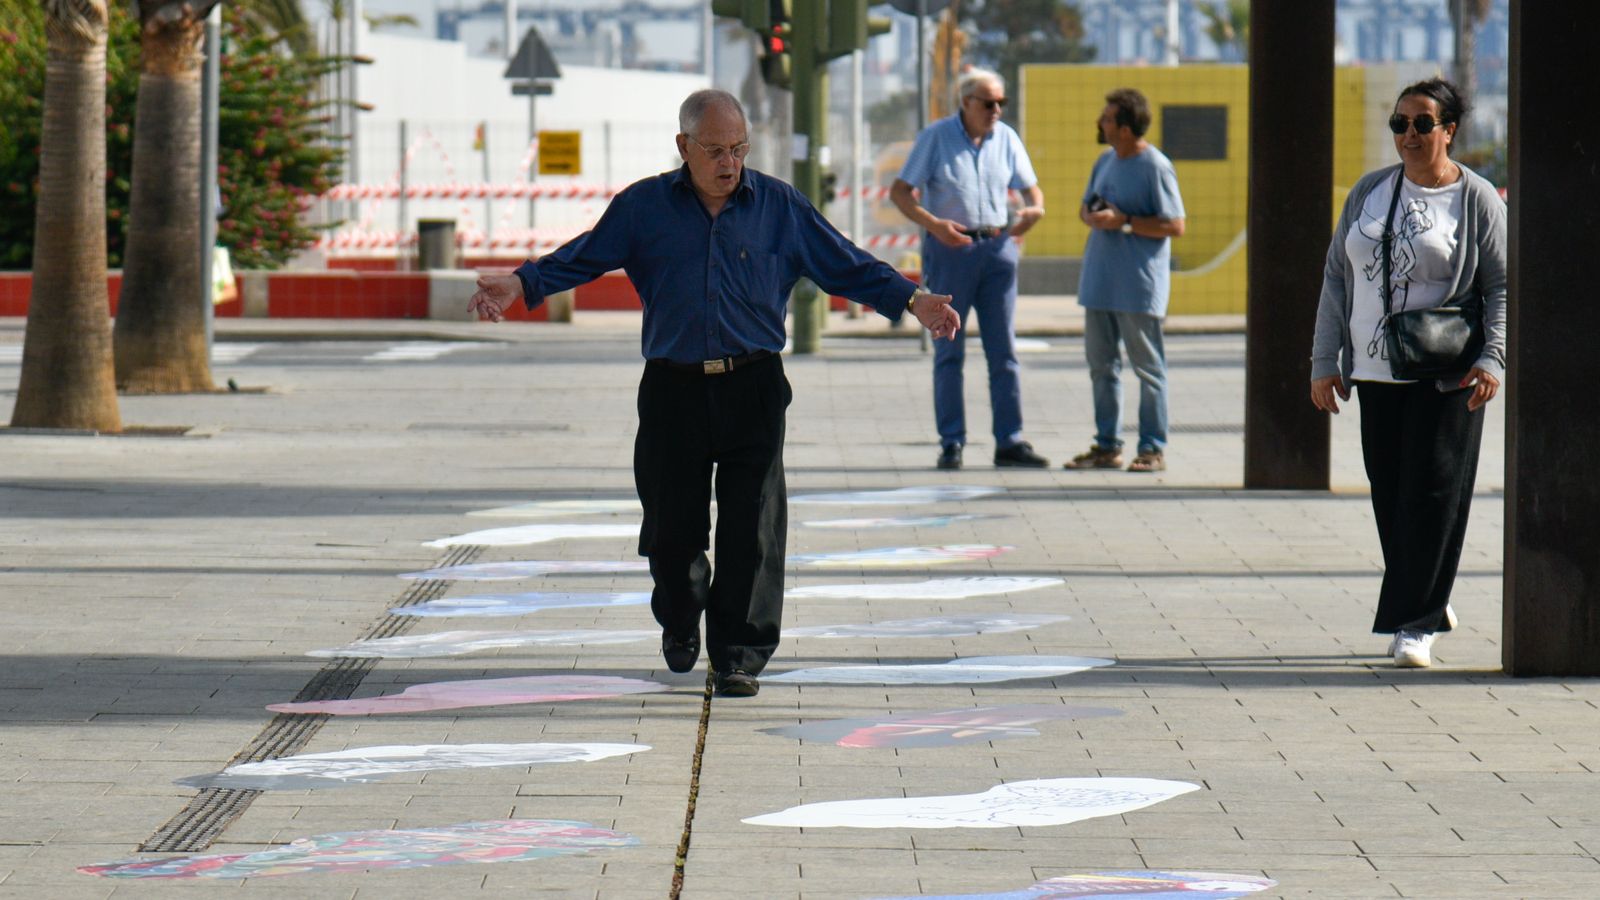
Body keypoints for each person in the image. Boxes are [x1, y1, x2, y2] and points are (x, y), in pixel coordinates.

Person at [468, 90, 960, 697]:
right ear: (684, 147)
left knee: (752, 524)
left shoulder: (778, 205)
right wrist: (520, 282)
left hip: (753, 384)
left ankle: (737, 653)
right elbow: (585, 256)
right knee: (672, 529)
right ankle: (680, 613)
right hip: (673, 389)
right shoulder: (645, 207)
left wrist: (914, 299)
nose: (730, 162)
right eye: (716, 150)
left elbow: (846, 263)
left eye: (739, 148)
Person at [1309, 77, 1506, 668]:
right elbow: (1336, 278)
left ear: (1449, 130)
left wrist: (1492, 357)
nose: (1409, 135)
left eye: (1423, 123)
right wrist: (1325, 361)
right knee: (1391, 495)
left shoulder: (1475, 199)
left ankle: (1415, 624)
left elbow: (1499, 287)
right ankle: (1429, 597)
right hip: (1374, 370)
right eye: (1400, 123)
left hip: (1446, 370)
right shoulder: (1370, 191)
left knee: (1433, 495)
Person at [890, 68, 1048, 471]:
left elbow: (1032, 188)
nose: (997, 110)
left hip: (997, 247)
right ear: (966, 102)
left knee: (1004, 350)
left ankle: (1009, 441)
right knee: (948, 349)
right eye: (988, 102)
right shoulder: (936, 137)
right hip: (950, 248)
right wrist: (933, 225)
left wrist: (1034, 208)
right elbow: (900, 191)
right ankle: (952, 441)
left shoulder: (1006, 139)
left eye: (1001, 103)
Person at [1064, 88, 1186, 474]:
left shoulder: (1155, 166)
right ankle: (1106, 446)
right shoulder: (1104, 160)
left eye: (1108, 118)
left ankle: (1152, 447)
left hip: (1138, 286)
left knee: (1148, 369)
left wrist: (1127, 221)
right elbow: (1087, 206)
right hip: (1099, 282)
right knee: (1102, 367)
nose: (1101, 123)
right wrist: (1093, 216)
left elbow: (1175, 224)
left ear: (1127, 128)